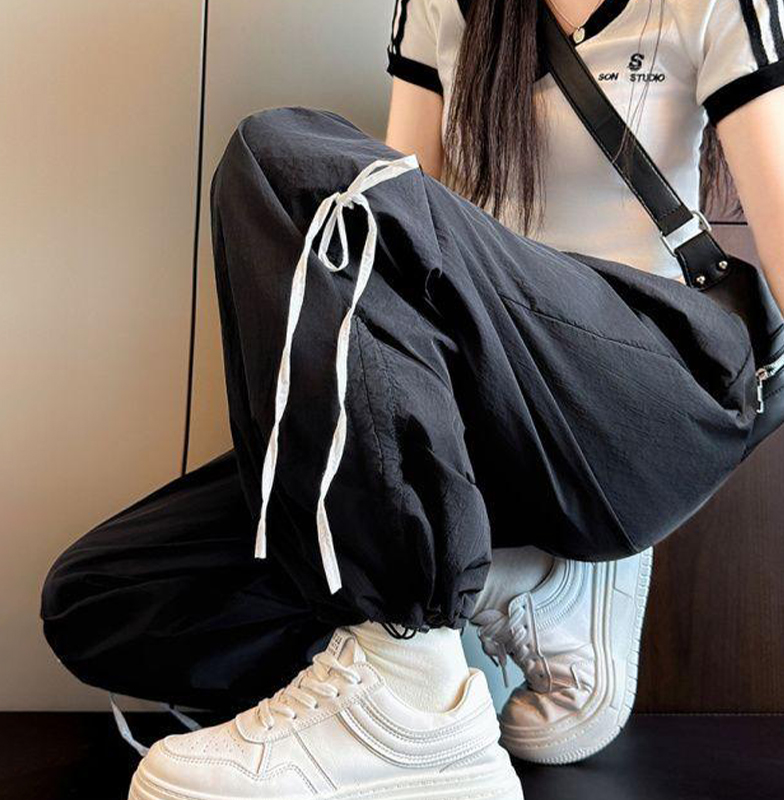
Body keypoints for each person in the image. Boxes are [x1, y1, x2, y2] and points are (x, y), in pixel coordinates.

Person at [40, 1, 784, 799]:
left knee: (283, 154)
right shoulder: (439, 5)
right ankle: (503, 595)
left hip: (636, 405)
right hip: (486, 409)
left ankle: (412, 691)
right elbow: (377, 257)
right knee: (101, 598)